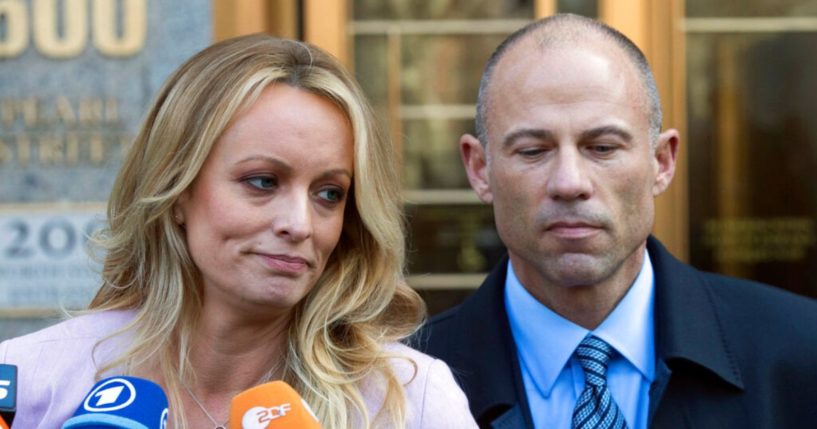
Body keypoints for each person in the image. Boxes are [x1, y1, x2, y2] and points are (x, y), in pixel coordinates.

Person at [0, 34, 477, 429]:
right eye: (263, 182)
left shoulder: (409, 400)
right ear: (178, 191)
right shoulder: (29, 382)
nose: (299, 224)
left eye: (329, 193)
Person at [415, 13, 817, 429]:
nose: (569, 183)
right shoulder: (400, 384)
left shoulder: (800, 356)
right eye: (533, 151)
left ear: (662, 161)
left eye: (602, 147)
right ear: (480, 169)